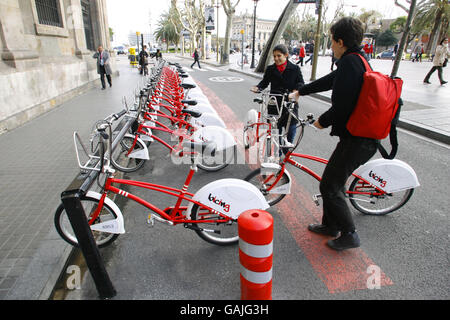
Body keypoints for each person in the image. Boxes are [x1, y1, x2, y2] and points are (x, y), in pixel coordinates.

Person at [290, 17, 378, 251]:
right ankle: (330, 226)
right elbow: (330, 81)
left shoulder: (351, 63)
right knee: (330, 182)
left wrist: (322, 121)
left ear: (340, 41)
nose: (331, 46)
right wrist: (301, 91)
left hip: (360, 140)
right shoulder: (356, 60)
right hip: (359, 137)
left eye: (331, 41)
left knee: (330, 186)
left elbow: (343, 105)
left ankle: (350, 234)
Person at [250, 44, 305, 153]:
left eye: (279, 56)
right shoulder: (271, 69)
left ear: (286, 55)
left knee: (291, 129)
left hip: (290, 103)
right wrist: (258, 87)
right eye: (274, 56)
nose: (276, 58)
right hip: (274, 103)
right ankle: (278, 152)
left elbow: (300, 83)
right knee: (275, 131)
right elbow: (264, 82)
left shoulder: (295, 69)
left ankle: (287, 151)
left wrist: (296, 91)